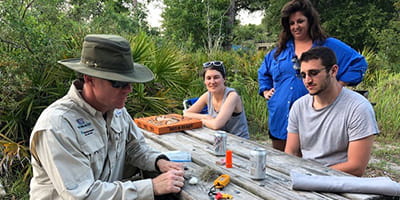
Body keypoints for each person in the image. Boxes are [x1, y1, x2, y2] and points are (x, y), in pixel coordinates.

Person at [29, 34, 185, 199]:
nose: (128, 89)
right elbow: (83, 195)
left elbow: (134, 148)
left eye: (130, 82)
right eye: (118, 83)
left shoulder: (116, 109)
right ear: (89, 79)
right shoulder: (57, 126)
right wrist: (151, 187)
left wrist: (158, 161)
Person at [257, 0, 368, 151]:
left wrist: (339, 84)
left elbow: (358, 64)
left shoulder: (328, 45)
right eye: (292, 23)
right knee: (280, 161)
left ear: (310, 21)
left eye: (300, 21)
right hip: (280, 119)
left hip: (314, 119)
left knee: (310, 163)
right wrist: (265, 90)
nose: (296, 26)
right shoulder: (279, 51)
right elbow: (263, 72)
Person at [284, 47, 379, 177]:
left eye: (314, 73)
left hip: (340, 182)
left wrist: (313, 176)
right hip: (304, 178)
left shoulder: (358, 108)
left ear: (333, 71)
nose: (307, 81)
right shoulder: (299, 106)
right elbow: (291, 152)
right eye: (303, 75)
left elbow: (356, 167)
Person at [183, 61, 250, 139]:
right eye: (208, 78)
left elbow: (216, 125)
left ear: (224, 79)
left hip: (239, 142)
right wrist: (206, 117)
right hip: (218, 139)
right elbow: (186, 113)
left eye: (216, 77)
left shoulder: (232, 96)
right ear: (204, 81)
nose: (212, 82)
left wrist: (202, 121)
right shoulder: (208, 95)